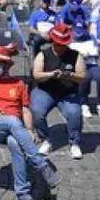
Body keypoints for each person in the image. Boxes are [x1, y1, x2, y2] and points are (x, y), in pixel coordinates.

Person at [0, 45, 59, 200]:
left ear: (7, 66)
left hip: (14, 130)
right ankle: (41, 165)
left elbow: (26, 109)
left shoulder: (18, 84)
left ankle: (23, 195)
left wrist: (30, 130)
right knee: (12, 121)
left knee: (15, 143)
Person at [32, 25, 88, 160]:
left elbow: (82, 77)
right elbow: (36, 75)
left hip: (67, 92)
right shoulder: (43, 54)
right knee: (37, 110)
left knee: (74, 113)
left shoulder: (75, 55)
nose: (60, 46)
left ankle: (74, 142)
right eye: (58, 43)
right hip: (46, 90)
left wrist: (70, 75)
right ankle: (45, 138)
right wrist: (51, 74)